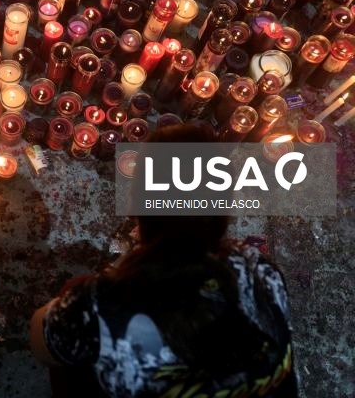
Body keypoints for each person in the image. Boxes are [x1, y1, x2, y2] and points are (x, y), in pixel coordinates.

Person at [29, 124, 298, 397]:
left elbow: (40, 341)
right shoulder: (263, 272)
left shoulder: (105, 303)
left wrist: (81, 298)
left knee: (72, 294)